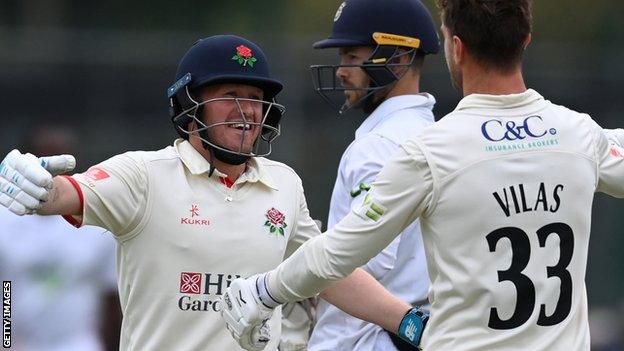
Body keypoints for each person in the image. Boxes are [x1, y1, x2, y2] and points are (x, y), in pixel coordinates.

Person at [220, 1, 624, 350]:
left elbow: (338, 254)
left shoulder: (433, 151)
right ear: (526, 40)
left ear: (456, 47)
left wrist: (263, 292)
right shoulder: (579, 134)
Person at [0, 34, 415, 351]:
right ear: (188, 107)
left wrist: (410, 323)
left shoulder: (284, 184)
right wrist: (37, 187)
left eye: (255, 99)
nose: (247, 110)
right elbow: (65, 193)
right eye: (229, 95)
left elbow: (327, 270)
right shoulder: (143, 175)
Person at [306, 0, 438, 350]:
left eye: (351, 57)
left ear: (397, 61)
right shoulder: (438, 136)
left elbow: (359, 263)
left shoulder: (377, 145)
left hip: (363, 340)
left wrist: (290, 281)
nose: (340, 71)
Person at [0, 125, 120, 351]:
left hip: (79, 344)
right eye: (44, 156)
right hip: (18, 343)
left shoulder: (96, 222)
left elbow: (110, 295)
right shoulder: (4, 218)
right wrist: (7, 340)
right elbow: (5, 287)